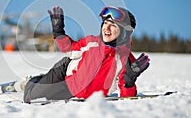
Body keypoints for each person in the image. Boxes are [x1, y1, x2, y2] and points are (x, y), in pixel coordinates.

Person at [19, 6, 150, 103]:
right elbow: (69, 49)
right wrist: (58, 32)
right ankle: (32, 81)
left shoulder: (125, 60)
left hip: (74, 92)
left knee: (39, 99)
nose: (106, 28)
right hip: (65, 75)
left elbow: (127, 98)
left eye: (113, 26)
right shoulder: (92, 43)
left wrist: (129, 81)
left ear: (124, 32)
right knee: (31, 98)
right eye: (105, 23)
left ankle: (39, 82)